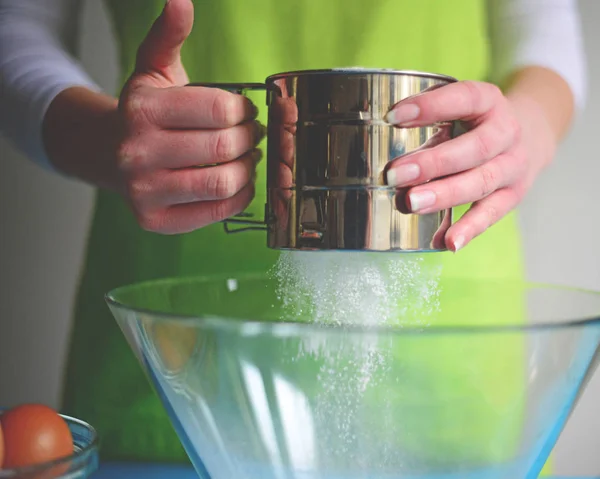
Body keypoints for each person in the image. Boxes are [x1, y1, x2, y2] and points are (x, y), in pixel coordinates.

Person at [0, 0, 587, 475]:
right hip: (180, 381)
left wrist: (519, 136)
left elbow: (547, 34)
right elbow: (17, 29)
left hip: (456, 373)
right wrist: (105, 140)